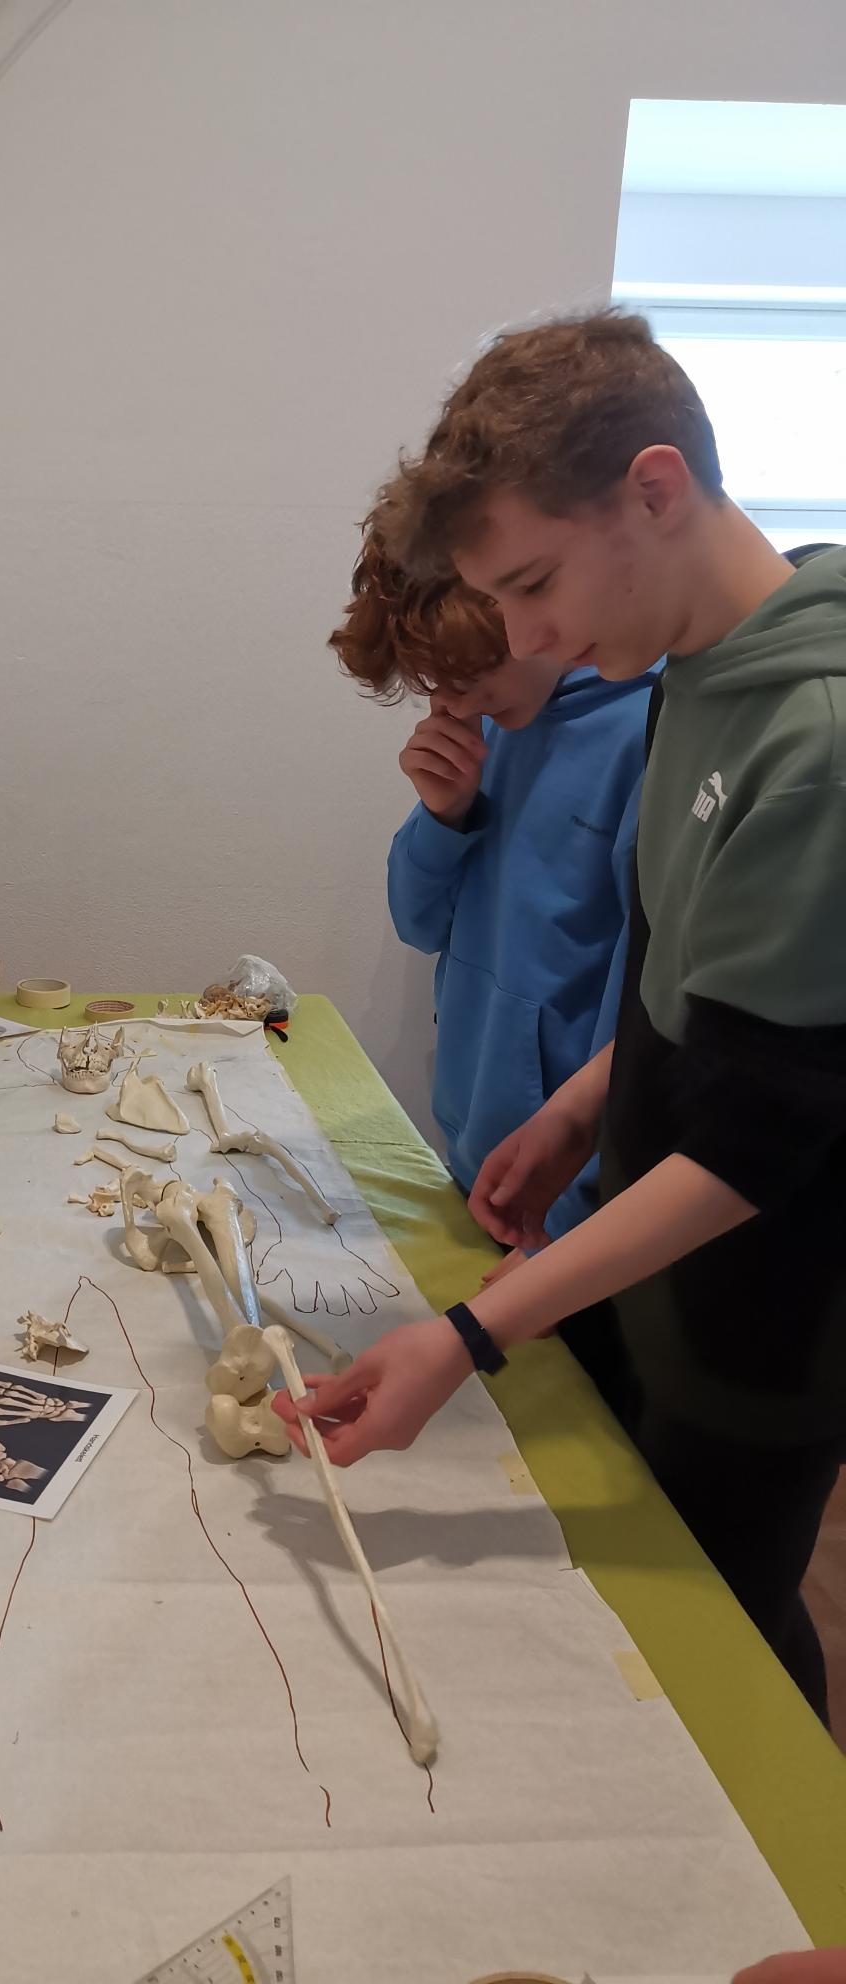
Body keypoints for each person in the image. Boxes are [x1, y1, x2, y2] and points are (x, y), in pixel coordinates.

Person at [277, 312, 846, 1722]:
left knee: (713, 1648)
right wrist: (582, 1107)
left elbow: (762, 1137)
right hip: (645, 1276)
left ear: (656, 489)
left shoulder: (817, 737)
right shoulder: (693, 675)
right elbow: (683, 991)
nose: (527, 638)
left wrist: (469, 1334)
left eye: (533, 585)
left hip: (761, 1323)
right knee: (618, 1622)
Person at [333, 521, 655, 1245]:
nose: (454, 704)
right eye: (434, 685)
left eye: (466, 676)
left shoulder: (646, 731)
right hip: (476, 1152)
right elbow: (419, 924)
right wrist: (442, 815)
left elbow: (644, 1021)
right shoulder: (499, 717)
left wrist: (569, 1223)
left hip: (568, 1199)